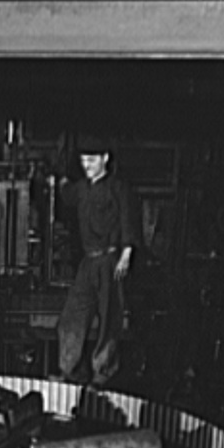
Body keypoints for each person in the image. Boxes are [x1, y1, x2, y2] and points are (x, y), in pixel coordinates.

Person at [56, 136, 140, 386]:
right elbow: (66, 194)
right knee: (71, 318)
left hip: (110, 261)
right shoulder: (81, 188)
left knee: (109, 320)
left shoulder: (118, 188)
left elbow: (128, 219)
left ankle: (102, 373)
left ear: (105, 159)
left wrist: (126, 253)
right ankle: (69, 369)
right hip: (88, 262)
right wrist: (58, 177)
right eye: (83, 160)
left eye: (92, 160)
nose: (86, 165)